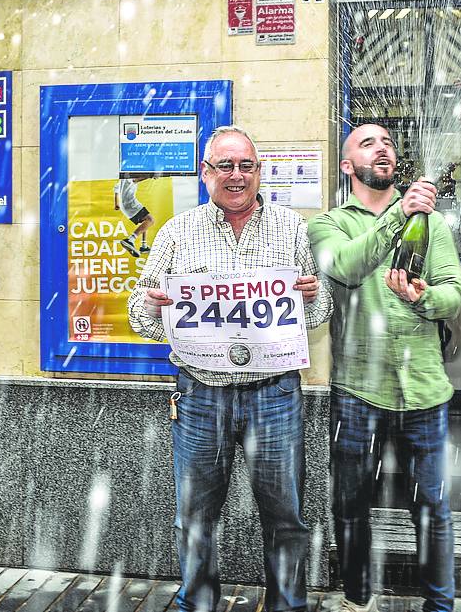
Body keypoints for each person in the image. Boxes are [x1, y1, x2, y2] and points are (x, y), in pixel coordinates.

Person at [128, 125, 332, 612]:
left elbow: (319, 312)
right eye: (225, 165)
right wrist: (155, 306)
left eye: (246, 166)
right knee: (195, 516)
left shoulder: (293, 229)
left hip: (276, 395)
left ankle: (287, 604)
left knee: (286, 515)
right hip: (200, 395)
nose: (236, 176)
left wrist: (312, 297)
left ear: (260, 173)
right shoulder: (176, 234)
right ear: (205, 173)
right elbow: (141, 316)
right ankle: (197, 602)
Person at [308, 123, 461, 612]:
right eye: (368, 143)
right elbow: (349, 266)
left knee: (434, 509)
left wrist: (424, 298)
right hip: (358, 390)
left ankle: (439, 606)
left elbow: (453, 295)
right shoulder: (327, 224)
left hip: (424, 390)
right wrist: (400, 213)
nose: (383, 149)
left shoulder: (433, 224)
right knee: (351, 507)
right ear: (346, 165)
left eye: (389, 143)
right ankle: (358, 600)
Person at [115, 176, 155, 257]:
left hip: (125, 205)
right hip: (130, 204)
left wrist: (116, 204)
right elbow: (135, 179)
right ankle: (130, 240)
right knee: (150, 220)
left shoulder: (122, 178)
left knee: (145, 221)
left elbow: (116, 189)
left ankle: (144, 246)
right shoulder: (129, 174)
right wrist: (151, 175)